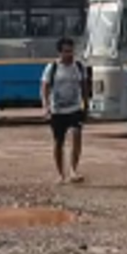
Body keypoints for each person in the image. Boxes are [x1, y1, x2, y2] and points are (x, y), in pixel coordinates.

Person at [41, 37, 89, 184]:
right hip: (57, 110)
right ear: (60, 53)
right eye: (66, 51)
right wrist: (46, 106)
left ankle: (73, 170)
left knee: (76, 135)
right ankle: (61, 174)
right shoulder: (52, 67)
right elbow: (45, 87)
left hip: (75, 108)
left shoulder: (79, 66)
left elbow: (84, 86)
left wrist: (86, 104)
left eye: (71, 51)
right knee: (58, 142)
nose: (69, 54)